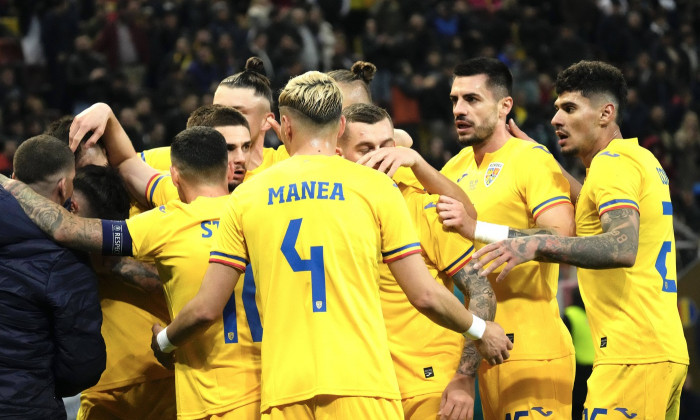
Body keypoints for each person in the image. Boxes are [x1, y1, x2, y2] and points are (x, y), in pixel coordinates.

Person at [150, 71, 512, 420]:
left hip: (283, 391)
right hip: (363, 385)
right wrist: (480, 330)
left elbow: (206, 308)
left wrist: (164, 342)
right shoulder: (375, 188)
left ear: (285, 126)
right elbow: (425, 295)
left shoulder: (246, 197)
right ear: (340, 127)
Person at [473, 60, 689, 419]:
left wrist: (535, 244)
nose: (556, 119)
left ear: (606, 113)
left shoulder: (611, 165)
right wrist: (545, 162)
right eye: (556, 108)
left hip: (630, 354)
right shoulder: (638, 159)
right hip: (660, 349)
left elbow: (621, 246)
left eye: (570, 108)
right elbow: (589, 204)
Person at [0, 125, 263, 419]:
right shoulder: (256, 212)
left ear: (174, 176)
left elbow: (67, 229)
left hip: (196, 389)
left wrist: (12, 187)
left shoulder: (164, 221)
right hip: (260, 387)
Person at [436, 57, 576, 419]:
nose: (459, 109)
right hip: (477, 350)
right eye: (454, 100)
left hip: (533, 349)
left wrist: (480, 229)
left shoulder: (531, 159)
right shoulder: (452, 169)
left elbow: (564, 237)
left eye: (472, 99)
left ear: (504, 106)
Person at [337, 103, 495, 420]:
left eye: (386, 147)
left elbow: (481, 290)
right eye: (366, 149)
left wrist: (464, 376)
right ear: (338, 155)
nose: (382, 158)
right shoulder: (329, 211)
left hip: (430, 384)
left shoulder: (423, 207)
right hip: (364, 385)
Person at [0, 135, 105, 418]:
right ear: (64, 186)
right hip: (24, 404)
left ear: (14, 176)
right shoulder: (65, 260)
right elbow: (82, 365)